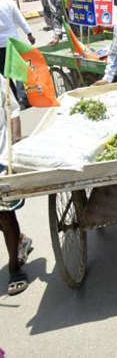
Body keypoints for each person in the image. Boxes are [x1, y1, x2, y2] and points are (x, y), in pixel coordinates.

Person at [0, 73, 31, 295]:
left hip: (0, 156)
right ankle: (20, 240)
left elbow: (12, 108)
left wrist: (16, 141)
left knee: (5, 215)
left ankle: (14, 267)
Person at [0, 0, 35, 100]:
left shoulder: (8, 1)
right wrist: (29, 33)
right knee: (19, 69)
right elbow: (20, 19)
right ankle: (22, 96)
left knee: (5, 73)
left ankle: (13, 97)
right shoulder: (8, 1)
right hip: (12, 41)